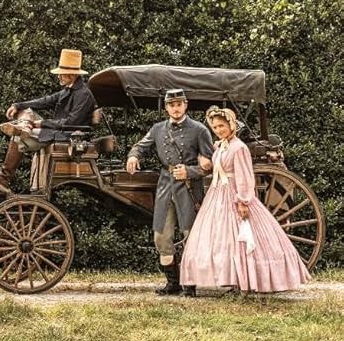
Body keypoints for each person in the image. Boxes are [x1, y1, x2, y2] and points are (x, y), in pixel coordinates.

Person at [180, 107, 310, 295]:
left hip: (234, 194)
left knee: (241, 238)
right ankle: (231, 279)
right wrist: (201, 157)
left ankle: (246, 280)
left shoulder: (239, 148)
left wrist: (243, 201)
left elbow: (245, 177)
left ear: (231, 125)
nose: (218, 130)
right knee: (219, 237)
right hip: (217, 195)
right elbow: (212, 163)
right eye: (215, 127)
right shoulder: (221, 146)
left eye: (222, 126)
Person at [126, 89, 214, 295]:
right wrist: (133, 156)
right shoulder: (158, 129)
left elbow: (212, 163)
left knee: (190, 236)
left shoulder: (200, 130)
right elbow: (141, 145)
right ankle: (172, 283)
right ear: (166, 108)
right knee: (160, 236)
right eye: (171, 105)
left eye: (179, 104)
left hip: (190, 188)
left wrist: (191, 171)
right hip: (166, 186)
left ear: (186, 105)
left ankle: (190, 285)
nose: (175, 108)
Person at [0, 49, 96, 192]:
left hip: (67, 136)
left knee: (19, 135)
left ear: (73, 74)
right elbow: (44, 101)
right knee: (26, 113)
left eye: (61, 73)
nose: (59, 77)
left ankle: (5, 175)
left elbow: (71, 122)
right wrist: (18, 105)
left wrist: (42, 123)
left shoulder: (84, 94)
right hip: (55, 131)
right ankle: (23, 128)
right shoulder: (68, 90)